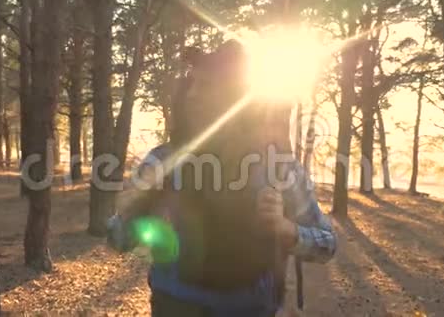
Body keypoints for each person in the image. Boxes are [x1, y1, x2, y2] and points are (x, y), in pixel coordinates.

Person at [107, 40, 336, 317]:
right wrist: (135, 211)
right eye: (191, 85)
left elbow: (327, 245)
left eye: (205, 86)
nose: (192, 95)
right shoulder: (162, 162)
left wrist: (285, 228)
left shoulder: (277, 168)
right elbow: (119, 240)